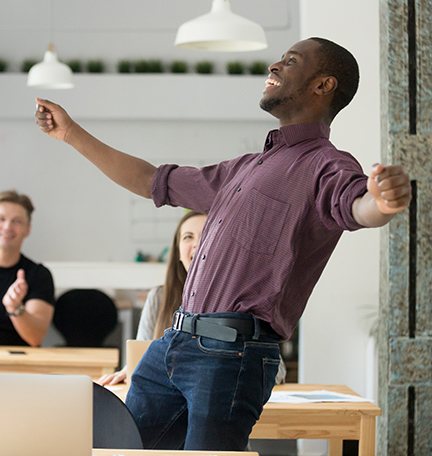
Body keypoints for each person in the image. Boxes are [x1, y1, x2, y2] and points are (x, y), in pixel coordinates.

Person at [34, 37, 411, 451]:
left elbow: (357, 206)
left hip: (231, 352)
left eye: (291, 61)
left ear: (323, 85)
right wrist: (70, 133)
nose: (275, 66)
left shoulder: (327, 164)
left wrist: (383, 202)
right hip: (172, 343)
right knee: (121, 449)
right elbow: (149, 180)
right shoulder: (246, 167)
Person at [98, 210, 207, 386]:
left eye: (205, 236)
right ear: (178, 252)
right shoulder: (159, 297)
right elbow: (141, 354)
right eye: (188, 237)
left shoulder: (233, 299)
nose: (196, 244)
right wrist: (130, 369)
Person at [0, 190, 55, 346]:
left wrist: (15, 307)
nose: (7, 227)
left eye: (16, 221)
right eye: (1, 219)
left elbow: (35, 338)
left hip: (19, 364)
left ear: (27, 229)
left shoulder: (38, 275)